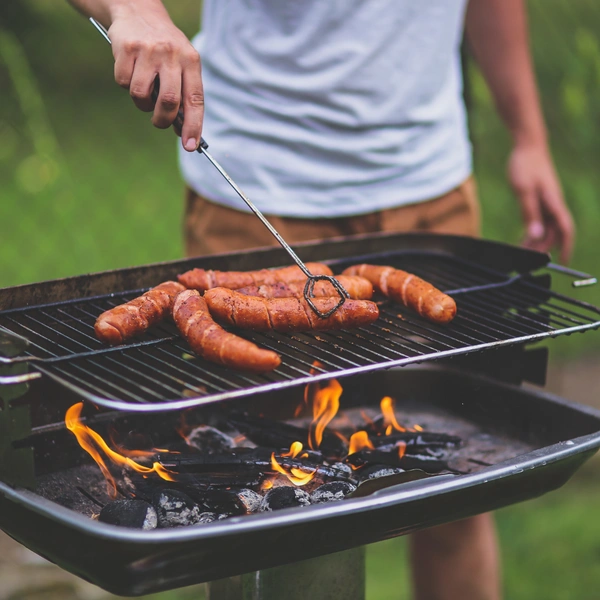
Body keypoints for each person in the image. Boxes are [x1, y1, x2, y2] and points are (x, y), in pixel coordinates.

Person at [68, 2, 575, 599]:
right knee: (250, 498)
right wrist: (133, 10)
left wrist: (529, 138)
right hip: (255, 185)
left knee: (455, 486)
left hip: (428, 186)